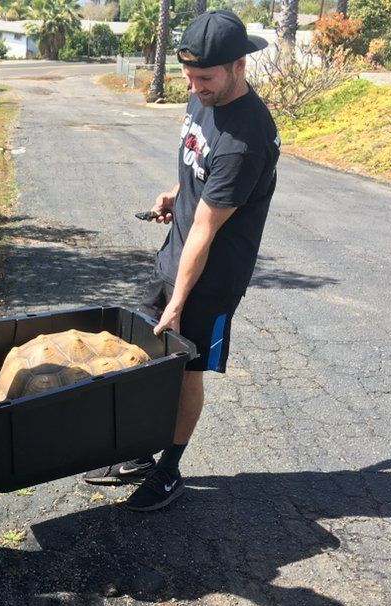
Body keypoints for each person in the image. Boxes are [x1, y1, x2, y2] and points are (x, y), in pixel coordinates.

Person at [85, 9, 279, 511]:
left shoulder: (246, 140)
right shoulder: (202, 97)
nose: (194, 87)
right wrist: (176, 192)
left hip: (209, 278)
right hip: (176, 255)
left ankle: (169, 471)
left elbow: (206, 231)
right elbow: (198, 162)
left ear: (239, 66)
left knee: (185, 369)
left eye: (205, 78)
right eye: (189, 76)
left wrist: (179, 302)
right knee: (146, 360)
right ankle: (138, 454)